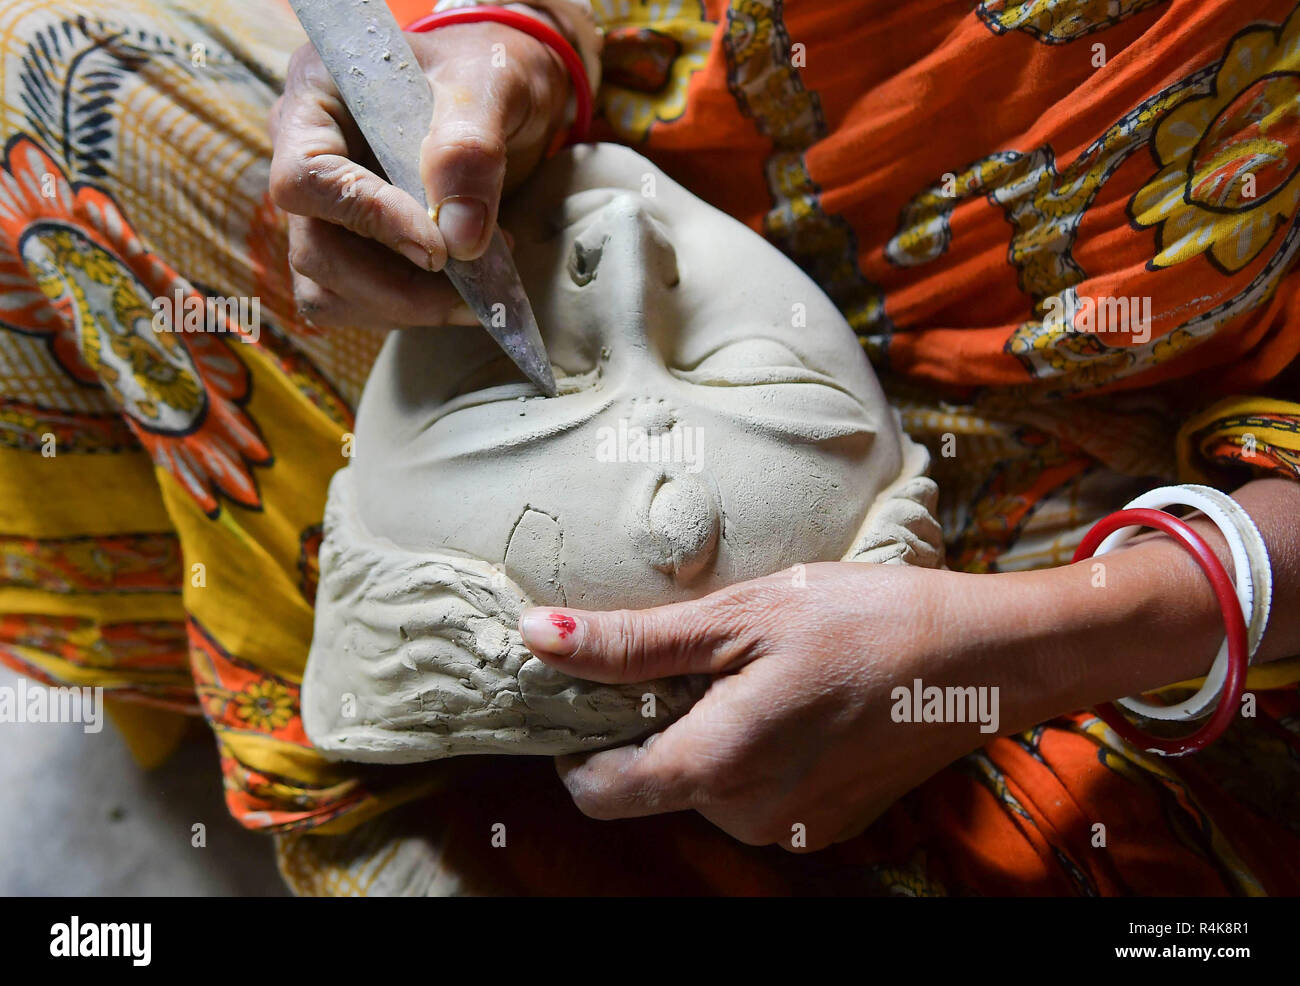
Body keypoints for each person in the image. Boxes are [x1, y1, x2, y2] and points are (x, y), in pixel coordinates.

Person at [0, 0, 1297, 895]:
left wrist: (1065, 634)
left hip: (1133, 569)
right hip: (635, 114)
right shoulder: (594, 204)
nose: (619, 249)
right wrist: (498, 46)